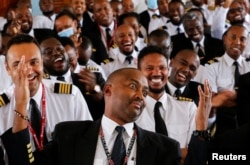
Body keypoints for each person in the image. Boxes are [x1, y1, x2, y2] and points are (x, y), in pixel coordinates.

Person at [2, 68, 183, 165]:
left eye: (145, 92)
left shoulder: (164, 149)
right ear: (107, 90)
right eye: (133, 86)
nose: (140, 96)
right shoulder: (68, 136)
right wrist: (20, 105)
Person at [0, 34, 93, 163]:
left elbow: (88, 144)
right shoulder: (2, 107)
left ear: (42, 62)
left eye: (34, 62)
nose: (28, 71)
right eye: (18, 65)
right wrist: (21, 104)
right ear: (7, 69)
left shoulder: (70, 96)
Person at [135, 45, 200, 163]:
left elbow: (194, 154)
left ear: (168, 69)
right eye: (149, 68)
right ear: (139, 71)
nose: (156, 73)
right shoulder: (130, 111)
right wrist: (178, 153)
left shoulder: (188, 108)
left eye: (162, 67)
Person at [41, 36, 105, 120]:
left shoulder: (93, 77)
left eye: (59, 49)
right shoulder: (40, 87)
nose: (56, 53)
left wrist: (95, 89)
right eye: (49, 52)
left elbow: (111, 107)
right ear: (41, 60)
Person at [203, 24, 250, 136]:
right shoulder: (212, 66)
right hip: (223, 121)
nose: (237, 42)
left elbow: (223, 98)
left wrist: (227, 96)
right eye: (233, 37)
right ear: (225, 39)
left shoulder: (249, 64)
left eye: (242, 39)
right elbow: (213, 101)